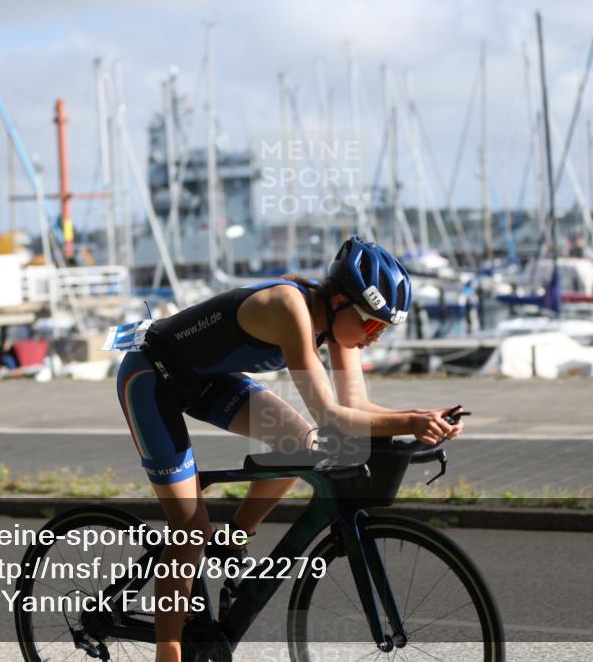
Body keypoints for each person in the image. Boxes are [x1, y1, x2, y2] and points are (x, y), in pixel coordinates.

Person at [115, 235, 465, 662]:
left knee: (301, 444)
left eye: (383, 330)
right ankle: (168, 650)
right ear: (340, 300)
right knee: (190, 529)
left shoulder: (337, 325)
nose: (374, 338)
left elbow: (355, 406)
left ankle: (232, 542)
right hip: (150, 378)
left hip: (204, 380)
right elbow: (331, 415)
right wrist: (411, 422)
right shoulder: (289, 307)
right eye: (372, 325)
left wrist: (421, 415)